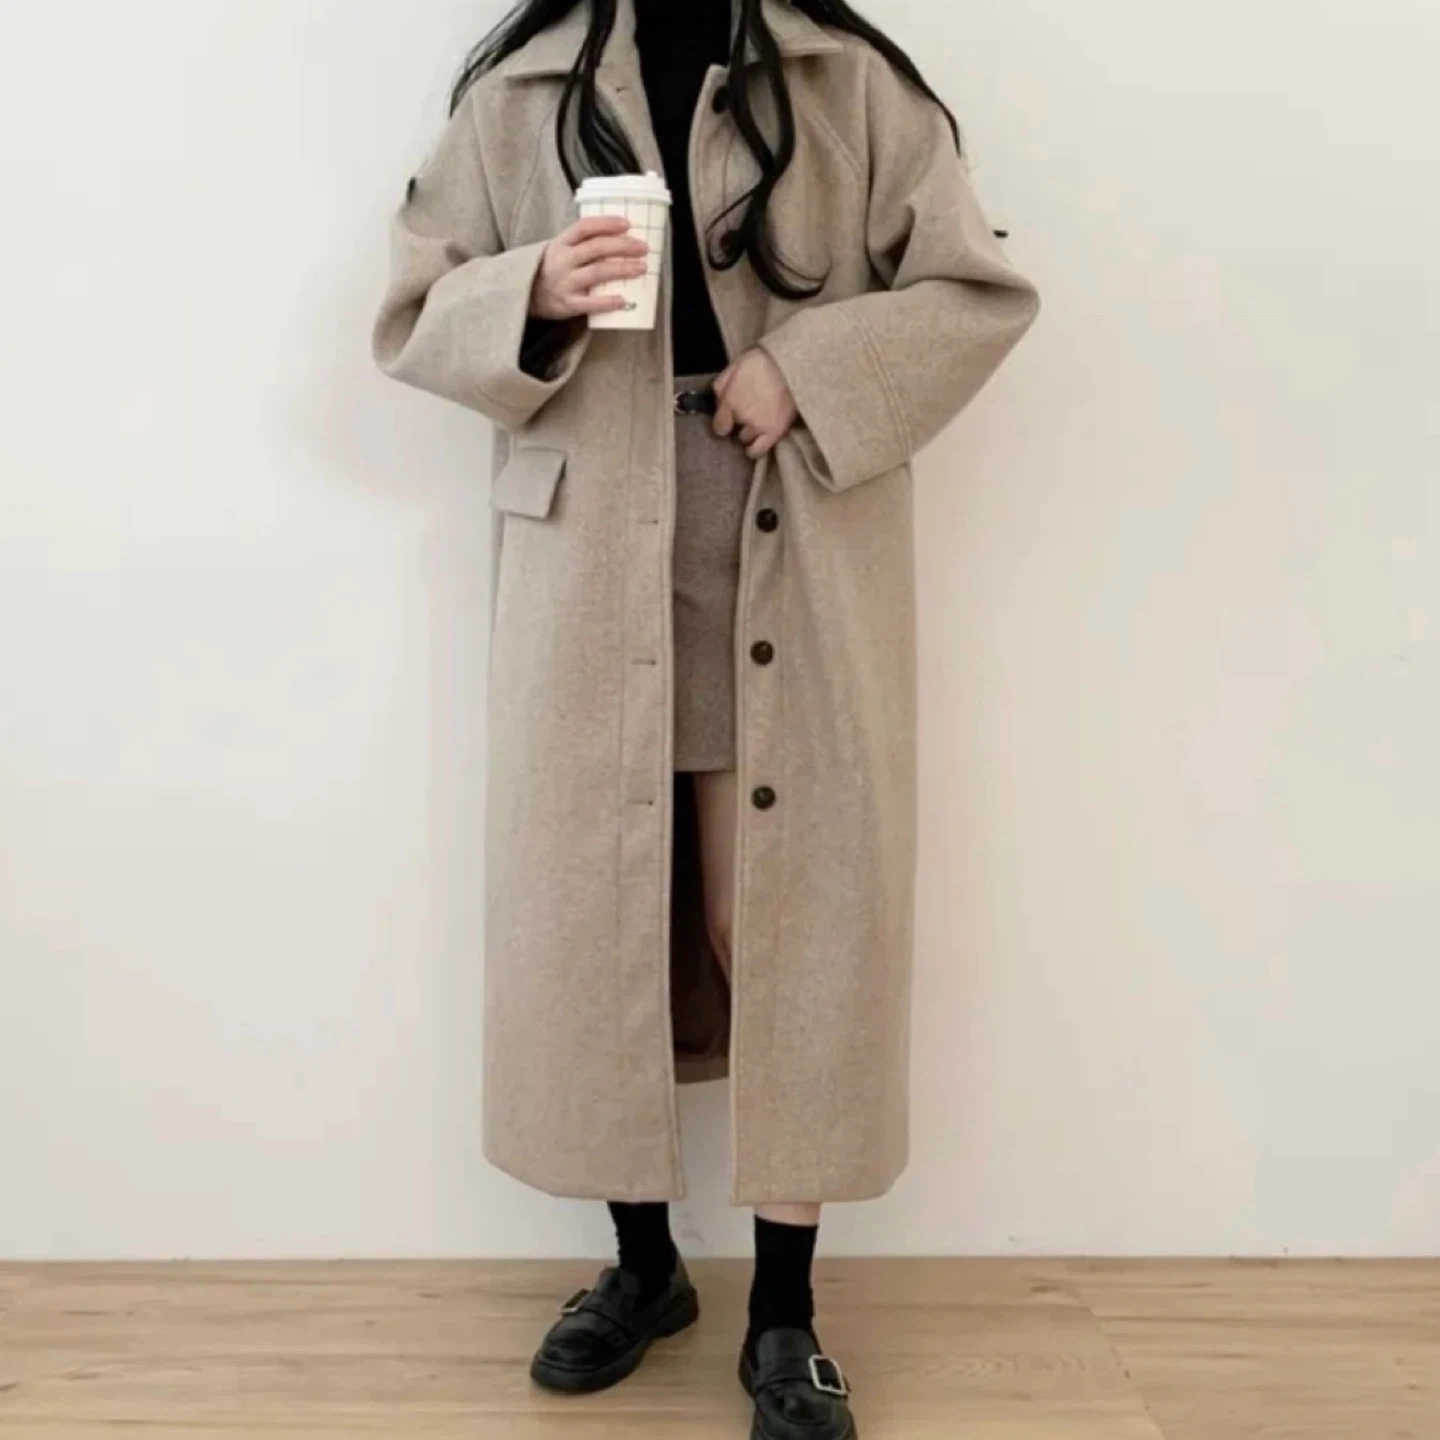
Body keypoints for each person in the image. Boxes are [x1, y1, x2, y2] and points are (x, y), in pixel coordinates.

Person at [374, 0, 1038, 1434]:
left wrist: (810, 367)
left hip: (785, 528)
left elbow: (976, 293)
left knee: (781, 920)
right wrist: (534, 289)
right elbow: (413, 313)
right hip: (591, 548)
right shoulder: (519, 90)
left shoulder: (850, 84)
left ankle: (786, 1310)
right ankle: (643, 1266)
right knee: (609, 910)